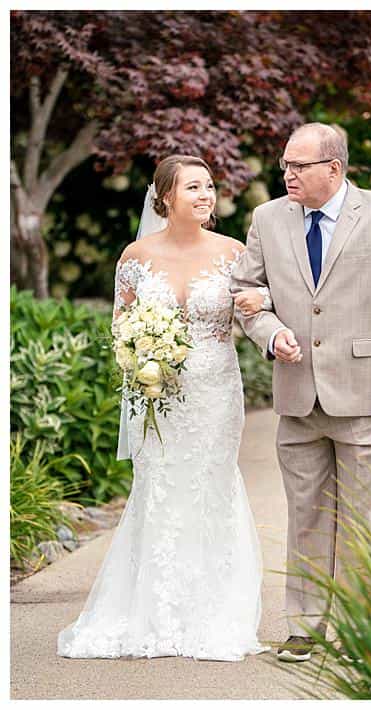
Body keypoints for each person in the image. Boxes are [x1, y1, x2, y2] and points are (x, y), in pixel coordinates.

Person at [58, 155, 268, 661]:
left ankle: (214, 610)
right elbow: (119, 327)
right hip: (156, 396)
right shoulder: (135, 256)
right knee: (159, 490)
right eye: (193, 186)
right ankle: (152, 609)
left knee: (210, 485)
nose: (205, 195)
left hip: (215, 392)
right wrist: (140, 354)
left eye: (210, 186)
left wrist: (259, 307)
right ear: (165, 196)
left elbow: (258, 309)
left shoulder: (234, 253)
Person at [230, 123, 371, 662]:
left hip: (365, 395)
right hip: (296, 398)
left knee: (362, 519)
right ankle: (306, 624)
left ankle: (361, 626)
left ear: (332, 168)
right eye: (285, 165)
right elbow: (244, 291)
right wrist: (272, 334)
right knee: (307, 515)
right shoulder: (267, 219)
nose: (287, 174)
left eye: (299, 165)